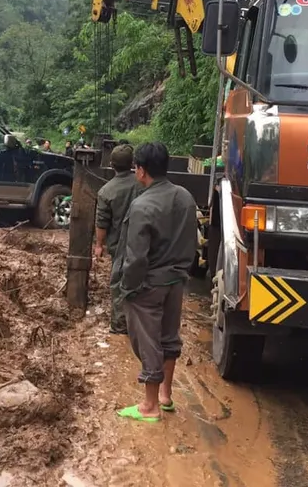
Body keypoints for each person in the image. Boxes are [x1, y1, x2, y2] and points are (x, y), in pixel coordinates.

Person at [116, 142, 196, 423]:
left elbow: (136, 257)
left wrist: (127, 288)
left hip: (149, 283)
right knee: (169, 336)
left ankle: (149, 406)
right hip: (176, 280)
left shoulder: (142, 205)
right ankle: (165, 396)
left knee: (148, 340)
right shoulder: (185, 197)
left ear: (140, 171)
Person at [93, 144, 139, 335]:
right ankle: (141, 324)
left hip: (120, 246)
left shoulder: (106, 191)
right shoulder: (143, 183)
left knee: (119, 284)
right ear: (133, 164)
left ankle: (120, 325)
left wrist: (99, 245)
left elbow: (102, 223)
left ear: (111, 164)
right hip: (144, 243)